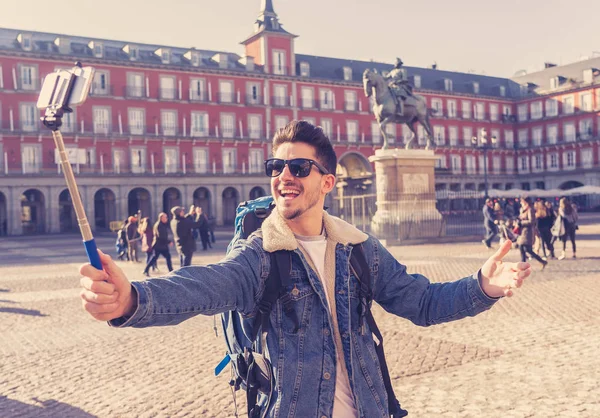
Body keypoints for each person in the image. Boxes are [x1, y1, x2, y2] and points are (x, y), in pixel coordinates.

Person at [79, 120, 532, 418]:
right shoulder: (262, 254)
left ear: (327, 182)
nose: (283, 175)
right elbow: (207, 285)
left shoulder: (359, 250)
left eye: (298, 166)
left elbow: (423, 302)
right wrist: (132, 300)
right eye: (276, 166)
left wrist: (483, 287)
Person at [517, 197, 547, 270]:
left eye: (521, 201)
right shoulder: (523, 209)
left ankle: (540, 261)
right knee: (523, 248)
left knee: (526, 249)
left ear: (525, 202)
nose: (520, 202)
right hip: (522, 231)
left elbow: (532, 221)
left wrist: (521, 223)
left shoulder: (530, 209)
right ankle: (525, 265)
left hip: (528, 232)